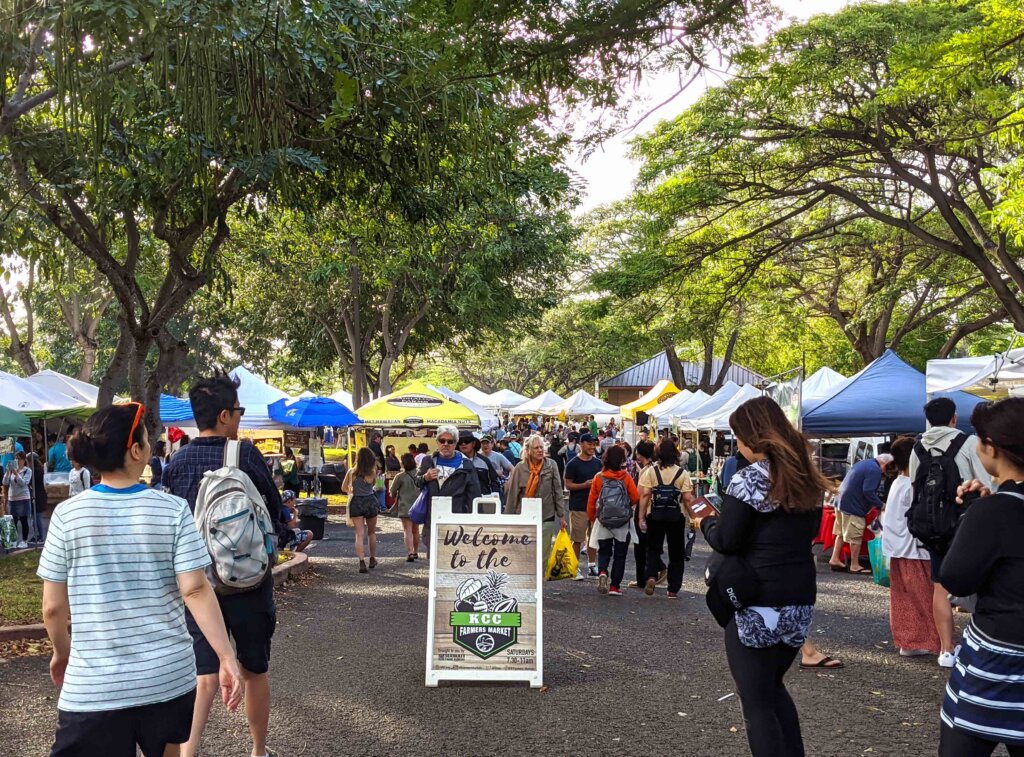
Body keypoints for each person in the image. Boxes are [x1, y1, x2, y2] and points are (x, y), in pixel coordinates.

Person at [38, 403, 243, 757]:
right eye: (148, 440)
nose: (152, 445)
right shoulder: (173, 510)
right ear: (136, 451)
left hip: (93, 688)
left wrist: (62, 652)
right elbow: (195, 589)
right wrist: (226, 655)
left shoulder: (67, 516)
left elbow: (53, 608)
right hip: (167, 678)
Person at [694, 396, 834, 757]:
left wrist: (704, 521)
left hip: (755, 599)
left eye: (738, 436)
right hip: (799, 597)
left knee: (756, 704)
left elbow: (727, 539)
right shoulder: (807, 478)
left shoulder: (748, 480)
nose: (736, 443)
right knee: (772, 690)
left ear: (753, 437)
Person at [162, 373, 282, 757]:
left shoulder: (176, 462)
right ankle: (258, 751)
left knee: (203, 676)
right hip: (248, 580)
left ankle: (188, 752)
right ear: (226, 415)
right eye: (239, 412)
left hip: (198, 586)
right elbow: (273, 508)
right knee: (254, 670)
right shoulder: (244, 455)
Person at [938, 397, 1024, 757]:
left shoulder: (993, 513)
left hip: (997, 661)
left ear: (992, 447)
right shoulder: (997, 507)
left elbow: (957, 579)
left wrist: (974, 517)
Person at [910, 396, 993, 669]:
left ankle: (946, 650)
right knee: (982, 583)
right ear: (954, 417)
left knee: (939, 585)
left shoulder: (917, 447)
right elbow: (986, 482)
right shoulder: (967, 442)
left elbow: (915, 487)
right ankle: (982, 644)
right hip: (966, 524)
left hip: (932, 527)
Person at [879, 436, 941, 658]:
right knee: (925, 597)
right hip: (915, 549)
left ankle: (908, 641)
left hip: (896, 548)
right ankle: (930, 640)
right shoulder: (913, 485)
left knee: (903, 598)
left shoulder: (897, 482)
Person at [638, 439, 696, 598]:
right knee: (676, 552)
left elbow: (644, 495)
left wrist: (641, 517)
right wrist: (694, 518)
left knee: (653, 548)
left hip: (655, 515)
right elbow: (688, 498)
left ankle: (651, 576)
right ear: (675, 454)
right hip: (676, 516)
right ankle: (673, 589)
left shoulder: (651, 471)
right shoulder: (682, 473)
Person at [505, 433, 566, 568]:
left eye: (541, 447)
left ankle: (540, 584)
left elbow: (557, 490)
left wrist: (561, 515)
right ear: (528, 451)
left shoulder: (551, 465)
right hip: (525, 517)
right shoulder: (520, 468)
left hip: (546, 515)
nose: (539, 450)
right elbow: (513, 495)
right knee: (524, 553)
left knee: (543, 555)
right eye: (536, 448)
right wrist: (509, 519)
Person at [587, 445, 639, 596]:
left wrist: (592, 517)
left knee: (604, 551)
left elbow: (592, 501)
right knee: (620, 555)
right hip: (622, 522)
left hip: (604, 520)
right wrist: (626, 507)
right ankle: (615, 587)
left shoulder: (599, 477)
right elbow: (635, 497)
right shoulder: (626, 477)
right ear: (622, 460)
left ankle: (603, 571)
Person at [828, 453, 891, 575]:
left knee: (841, 533)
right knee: (855, 536)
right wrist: (881, 505)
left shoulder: (864, 462)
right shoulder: (875, 470)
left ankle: (835, 559)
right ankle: (854, 565)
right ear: (885, 464)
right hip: (853, 506)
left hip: (841, 502)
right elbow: (868, 491)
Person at [415, 425, 483, 518]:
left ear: (456, 443)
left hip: (456, 520)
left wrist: (473, 519)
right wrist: (425, 478)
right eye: (442, 441)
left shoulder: (467, 464)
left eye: (450, 441)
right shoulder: (428, 460)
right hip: (432, 518)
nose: (445, 444)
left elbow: (475, 495)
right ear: (437, 442)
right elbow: (417, 482)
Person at [564, 433, 602, 580]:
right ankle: (574, 568)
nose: (592, 447)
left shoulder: (598, 463)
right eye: (590, 444)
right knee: (577, 539)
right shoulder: (573, 463)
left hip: (595, 506)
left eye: (594, 444)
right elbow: (568, 485)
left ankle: (592, 566)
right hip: (578, 506)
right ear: (582, 444)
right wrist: (584, 485)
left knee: (593, 538)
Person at [629, 439, 664, 589]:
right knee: (650, 544)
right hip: (657, 511)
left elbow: (639, 494)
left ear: (640, 453)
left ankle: (645, 577)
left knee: (640, 545)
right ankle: (651, 573)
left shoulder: (645, 471)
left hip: (643, 509)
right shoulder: (657, 468)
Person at [342, 448, 381, 573]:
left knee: (359, 534)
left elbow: (343, 488)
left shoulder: (352, 472)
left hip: (356, 502)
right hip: (370, 501)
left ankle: (361, 561)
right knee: (371, 532)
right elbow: (376, 485)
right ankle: (372, 558)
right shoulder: (372, 471)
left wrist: (352, 490)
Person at [390, 453, 421, 560]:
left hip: (405, 506)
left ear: (403, 463)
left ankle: (410, 552)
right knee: (415, 530)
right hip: (418, 506)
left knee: (407, 530)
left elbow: (392, 492)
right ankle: (416, 551)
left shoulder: (400, 477)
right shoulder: (420, 474)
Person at [458, 432, 500, 499]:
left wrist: (496, 501)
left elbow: (494, 482)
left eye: (466, 441)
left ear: (473, 443)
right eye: (460, 442)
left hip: (482, 502)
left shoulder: (485, 461)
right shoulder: (454, 462)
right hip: (460, 504)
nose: (463, 444)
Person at [4, 451, 32, 548]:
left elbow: (24, 483)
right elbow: (5, 482)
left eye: (19, 459)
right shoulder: (11, 471)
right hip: (12, 499)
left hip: (23, 498)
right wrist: (8, 472)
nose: (17, 461)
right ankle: (14, 541)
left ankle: (24, 541)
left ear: (24, 460)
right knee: (13, 521)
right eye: (16, 459)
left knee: (24, 520)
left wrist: (16, 474)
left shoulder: (27, 470)